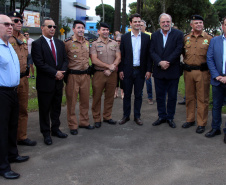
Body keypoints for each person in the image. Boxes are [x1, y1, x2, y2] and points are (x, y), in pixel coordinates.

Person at [0, 14, 29, 180]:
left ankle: (12, 154)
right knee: (2, 130)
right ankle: (3, 166)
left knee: (12, 125)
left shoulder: (9, 45)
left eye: (11, 24)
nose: (10, 26)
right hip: (2, 93)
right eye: (6, 24)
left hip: (13, 91)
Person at [31, 17, 68, 145]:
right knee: (45, 109)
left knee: (56, 107)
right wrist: (54, 73)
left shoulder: (59, 43)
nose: (52, 29)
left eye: (54, 27)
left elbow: (65, 60)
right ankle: (46, 133)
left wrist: (61, 72)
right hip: (45, 83)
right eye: (49, 26)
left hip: (58, 82)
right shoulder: (37, 44)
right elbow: (39, 63)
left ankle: (55, 129)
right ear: (42, 28)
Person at [7, 11, 36, 146]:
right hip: (9, 81)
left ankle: (22, 137)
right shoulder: (5, 38)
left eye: (20, 21)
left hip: (23, 79)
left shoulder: (24, 38)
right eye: (15, 21)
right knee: (8, 112)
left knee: (23, 110)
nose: (19, 23)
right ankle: (8, 140)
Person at [150, 13, 183, 128]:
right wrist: (160, 62)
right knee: (159, 96)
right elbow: (152, 51)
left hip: (172, 70)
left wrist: (167, 61)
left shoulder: (178, 34)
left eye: (168, 22)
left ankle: (170, 117)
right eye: (163, 22)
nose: (166, 24)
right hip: (159, 71)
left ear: (171, 22)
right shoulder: (154, 36)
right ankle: (161, 116)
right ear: (159, 23)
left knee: (172, 96)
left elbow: (179, 49)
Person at [118, 13, 152, 126]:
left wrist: (148, 70)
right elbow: (121, 55)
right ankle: (126, 116)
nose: (138, 23)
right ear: (131, 23)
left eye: (139, 22)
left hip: (140, 71)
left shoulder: (147, 38)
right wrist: (121, 70)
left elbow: (148, 56)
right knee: (127, 94)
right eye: (135, 22)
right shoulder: (125, 37)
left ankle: (137, 116)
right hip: (127, 71)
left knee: (138, 95)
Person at [182, 15, 212, 133]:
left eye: (200, 23)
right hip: (188, 72)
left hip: (202, 72)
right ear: (191, 25)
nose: (199, 25)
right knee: (189, 97)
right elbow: (184, 54)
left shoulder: (209, 38)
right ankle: (190, 119)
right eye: (196, 23)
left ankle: (201, 123)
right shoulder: (186, 38)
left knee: (202, 98)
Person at [64, 20, 95, 135]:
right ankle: (73, 125)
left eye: (82, 27)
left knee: (85, 100)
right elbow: (64, 59)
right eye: (78, 28)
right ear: (73, 29)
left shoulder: (87, 42)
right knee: (72, 102)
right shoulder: (67, 43)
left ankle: (84, 122)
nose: (81, 30)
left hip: (86, 76)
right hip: (73, 76)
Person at [90, 22, 121, 128]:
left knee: (109, 97)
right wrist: (109, 67)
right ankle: (97, 118)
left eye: (107, 30)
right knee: (97, 97)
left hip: (112, 75)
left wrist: (112, 68)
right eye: (103, 29)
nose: (106, 31)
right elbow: (94, 60)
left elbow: (118, 57)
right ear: (98, 31)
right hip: (99, 74)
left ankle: (107, 116)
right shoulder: (94, 44)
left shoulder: (114, 43)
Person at [205, 17, 226, 141]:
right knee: (216, 105)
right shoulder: (215, 40)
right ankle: (215, 128)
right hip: (217, 79)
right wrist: (216, 75)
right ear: (222, 26)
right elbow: (210, 58)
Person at [140, 20, 153, 105]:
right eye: (139, 25)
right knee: (139, 81)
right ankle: (139, 96)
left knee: (148, 81)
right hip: (138, 63)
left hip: (146, 62)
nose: (140, 27)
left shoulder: (150, 35)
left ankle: (150, 97)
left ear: (145, 27)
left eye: (142, 25)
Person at [114, 33, 124, 99]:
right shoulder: (113, 47)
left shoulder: (124, 47)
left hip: (122, 66)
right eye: (117, 41)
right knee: (115, 80)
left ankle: (122, 93)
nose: (118, 42)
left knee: (122, 80)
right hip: (115, 66)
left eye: (119, 41)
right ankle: (115, 93)